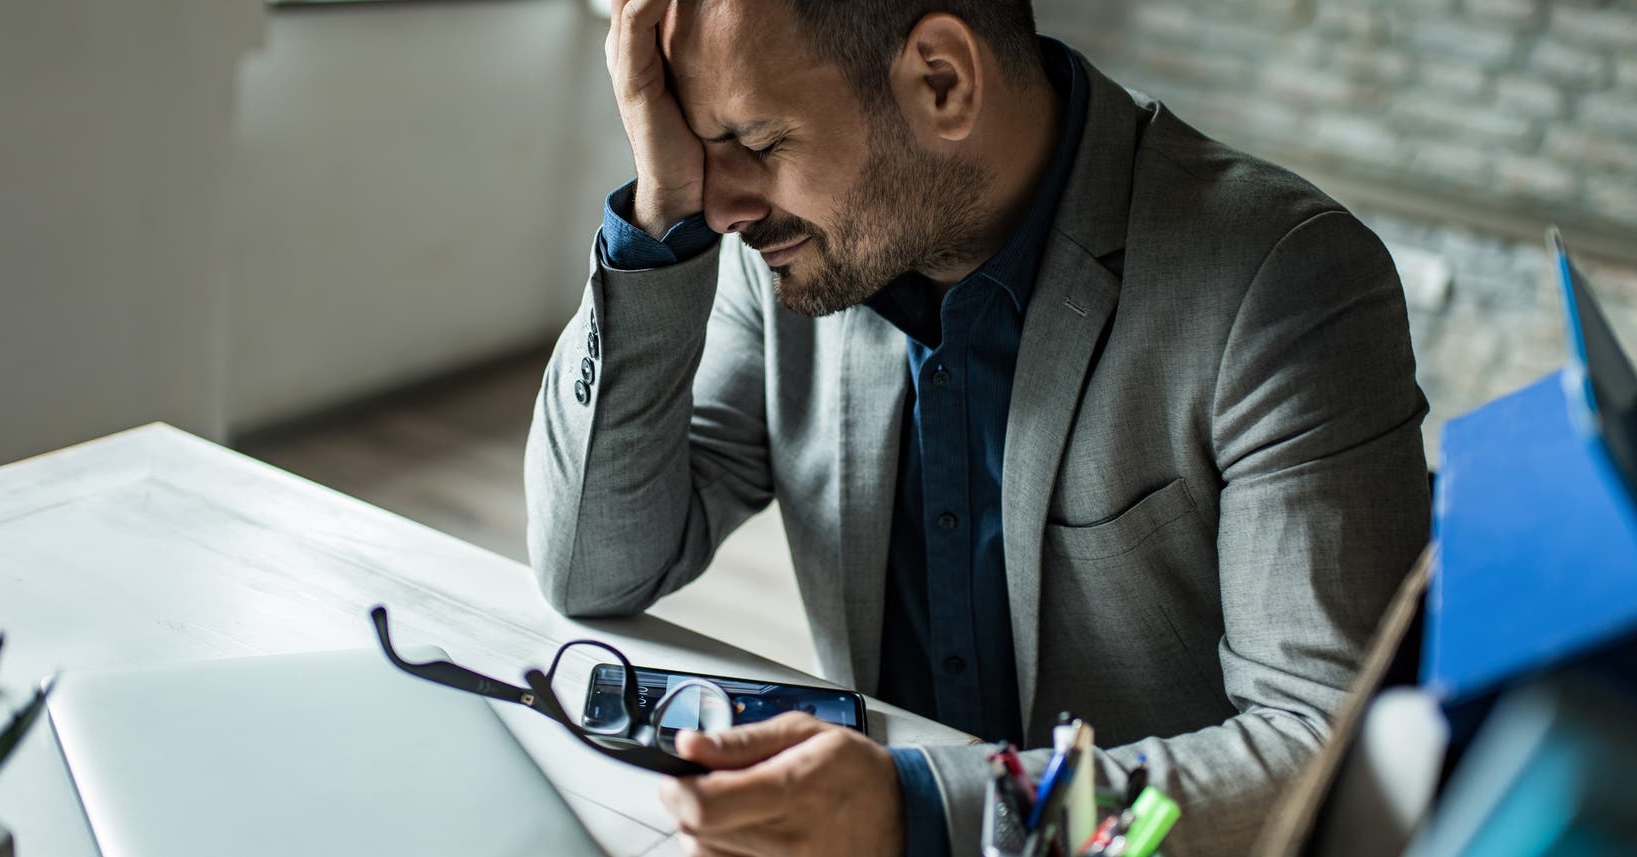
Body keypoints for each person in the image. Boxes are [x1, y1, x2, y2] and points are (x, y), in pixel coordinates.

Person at [523, 0, 1431, 853]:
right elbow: (593, 564)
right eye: (697, 144)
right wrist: (656, 215)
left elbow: (1327, 747)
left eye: (756, 141)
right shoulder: (783, 252)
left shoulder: (1281, 281)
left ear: (942, 82)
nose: (720, 205)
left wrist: (927, 814)